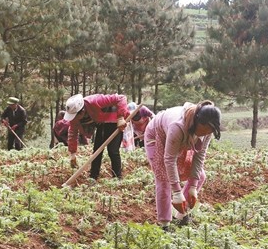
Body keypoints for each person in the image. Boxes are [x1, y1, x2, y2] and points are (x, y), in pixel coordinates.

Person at [144, 100, 221, 228]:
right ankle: (164, 224)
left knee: (200, 176)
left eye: (210, 131)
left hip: (184, 139)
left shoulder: (208, 130)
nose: (206, 134)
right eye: (204, 130)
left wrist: (193, 187)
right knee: (164, 179)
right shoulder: (177, 126)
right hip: (158, 136)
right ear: (197, 122)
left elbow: (200, 155)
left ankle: (180, 216)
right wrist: (177, 192)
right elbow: (169, 159)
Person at [63, 93, 129, 180]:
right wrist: (73, 154)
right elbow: (72, 133)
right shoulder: (74, 117)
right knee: (97, 150)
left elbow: (121, 98)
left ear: (82, 111)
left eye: (75, 116)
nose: (74, 118)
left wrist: (120, 117)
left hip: (114, 120)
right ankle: (93, 176)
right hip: (101, 122)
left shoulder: (95, 101)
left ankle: (117, 177)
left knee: (112, 150)